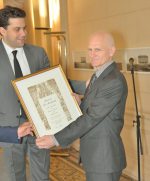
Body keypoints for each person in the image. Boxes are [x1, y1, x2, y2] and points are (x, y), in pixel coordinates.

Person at [36, 31, 128, 181]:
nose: (92, 54)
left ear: (112, 51)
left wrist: (55, 139)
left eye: (98, 49)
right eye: (90, 49)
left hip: (103, 158)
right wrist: (79, 102)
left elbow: (90, 118)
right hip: (96, 156)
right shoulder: (98, 75)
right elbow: (92, 107)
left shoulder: (113, 80)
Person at [0, 6, 50, 181]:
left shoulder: (38, 53)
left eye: (24, 28)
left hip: (40, 126)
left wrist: (83, 87)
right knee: (13, 177)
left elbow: (53, 83)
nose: (24, 33)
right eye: (17, 29)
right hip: (9, 129)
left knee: (41, 176)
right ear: (2, 31)